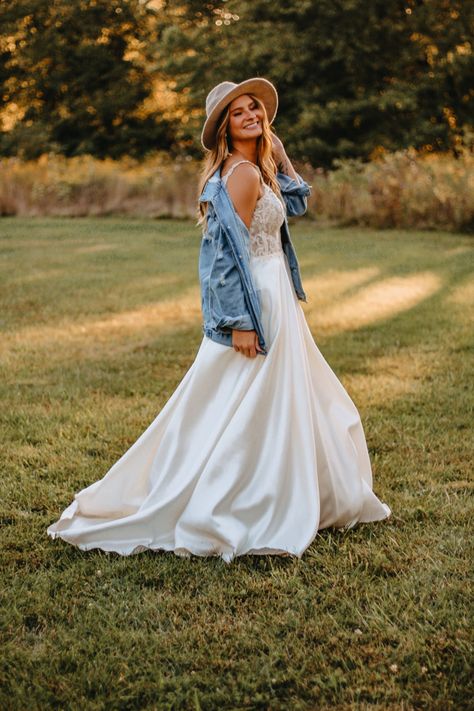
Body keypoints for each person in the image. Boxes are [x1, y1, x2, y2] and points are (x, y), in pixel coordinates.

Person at [47, 77, 391, 562]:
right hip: (256, 302)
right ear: (224, 127)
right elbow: (224, 258)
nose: (251, 115)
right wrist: (240, 322)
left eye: (255, 107)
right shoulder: (242, 174)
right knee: (237, 403)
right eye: (238, 112)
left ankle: (271, 489)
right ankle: (233, 501)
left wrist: (282, 153)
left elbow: (296, 201)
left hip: (276, 297)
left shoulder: (256, 168)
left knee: (261, 400)